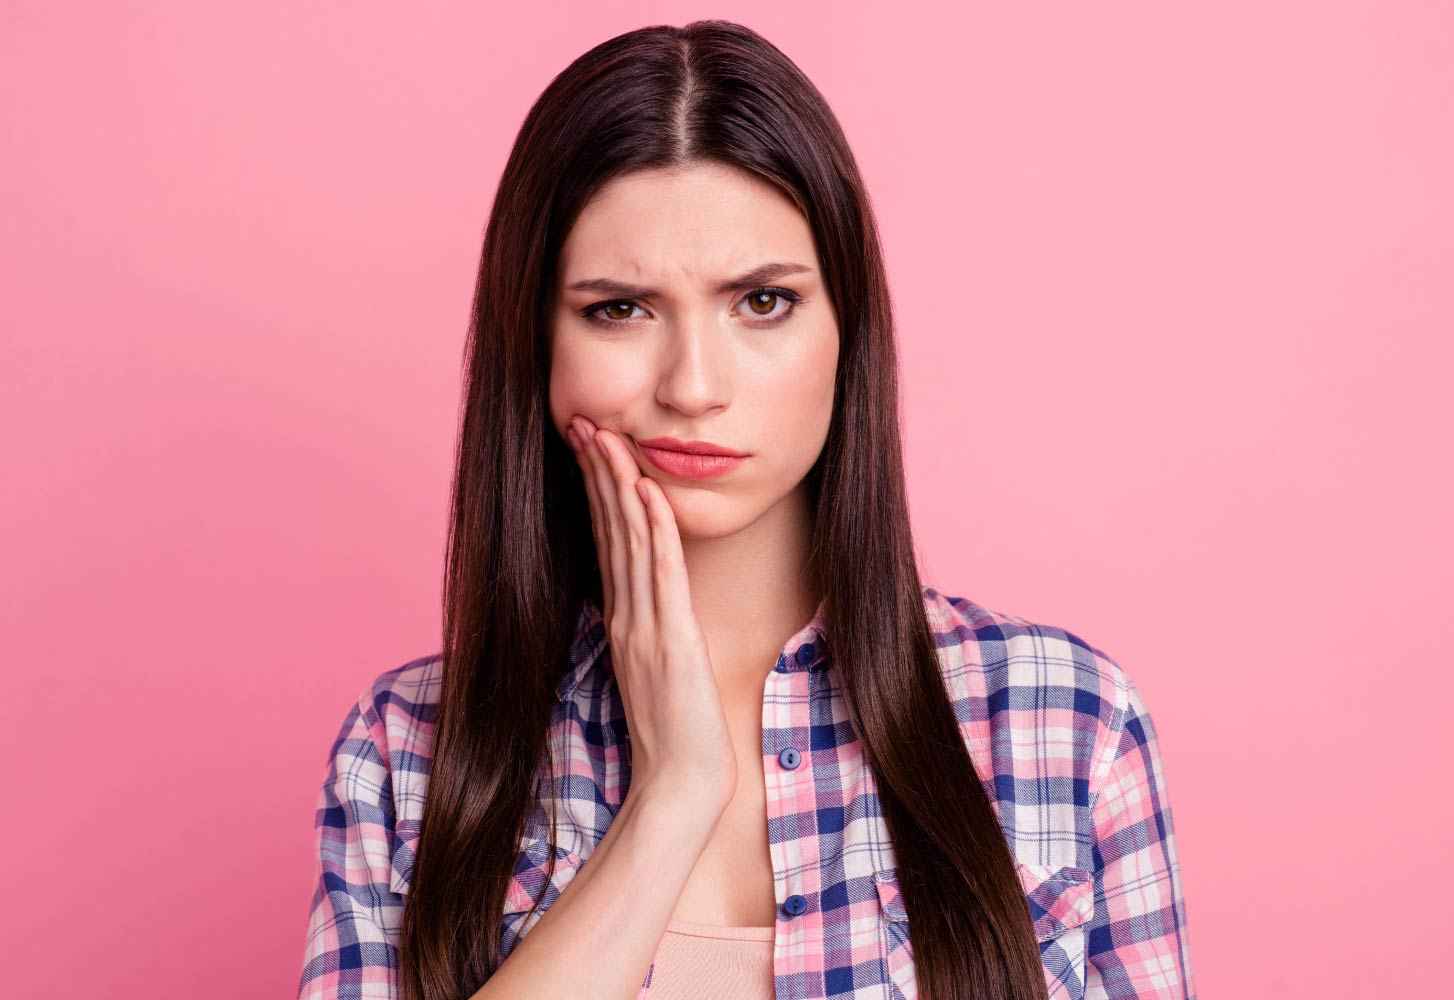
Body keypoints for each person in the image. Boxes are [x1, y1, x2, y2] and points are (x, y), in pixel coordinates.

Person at [297, 19, 1194, 1000]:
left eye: (761, 302)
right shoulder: (406, 756)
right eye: (620, 308)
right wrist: (672, 796)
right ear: (538, 350)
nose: (692, 385)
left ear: (847, 332)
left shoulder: (1063, 721)